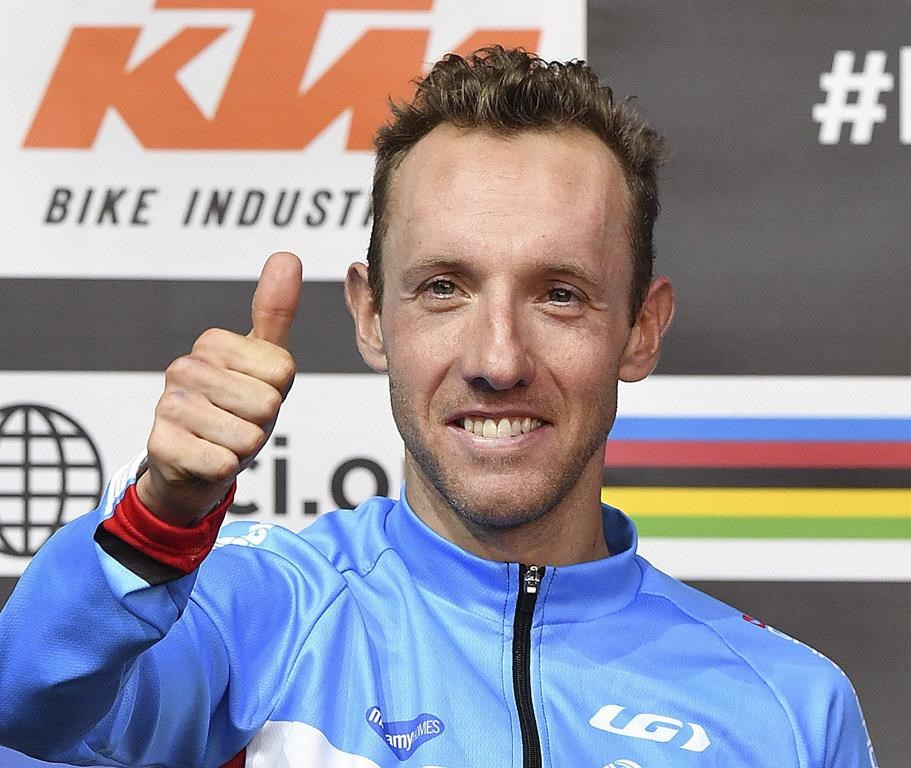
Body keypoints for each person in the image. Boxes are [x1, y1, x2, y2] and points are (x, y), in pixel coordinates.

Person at [0, 47, 876, 768]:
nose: (497, 359)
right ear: (372, 315)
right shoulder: (248, 614)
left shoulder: (789, 710)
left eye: (559, 294)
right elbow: (25, 708)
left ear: (641, 331)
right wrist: (157, 522)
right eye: (445, 289)